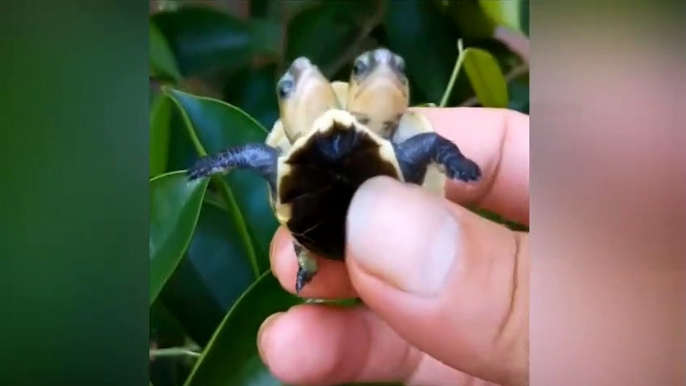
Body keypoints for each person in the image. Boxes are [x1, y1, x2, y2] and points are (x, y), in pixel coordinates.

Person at [257, 107, 530, 386]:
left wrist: (455, 161)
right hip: (318, 236)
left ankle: (307, 262)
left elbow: (430, 143)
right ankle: (307, 263)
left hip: (339, 234)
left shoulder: (388, 142)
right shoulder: (294, 153)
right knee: (303, 253)